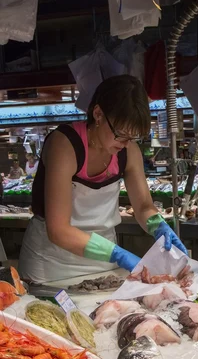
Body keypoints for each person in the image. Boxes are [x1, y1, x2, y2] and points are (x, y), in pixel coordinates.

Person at [19, 75, 187, 284]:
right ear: (98, 114)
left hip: (103, 261)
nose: (126, 144)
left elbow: (143, 205)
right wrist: (118, 254)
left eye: (133, 138)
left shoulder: (128, 151)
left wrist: (158, 225)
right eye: (121, 134)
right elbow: (58, 230)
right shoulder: (64, 145)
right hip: (51, 263)